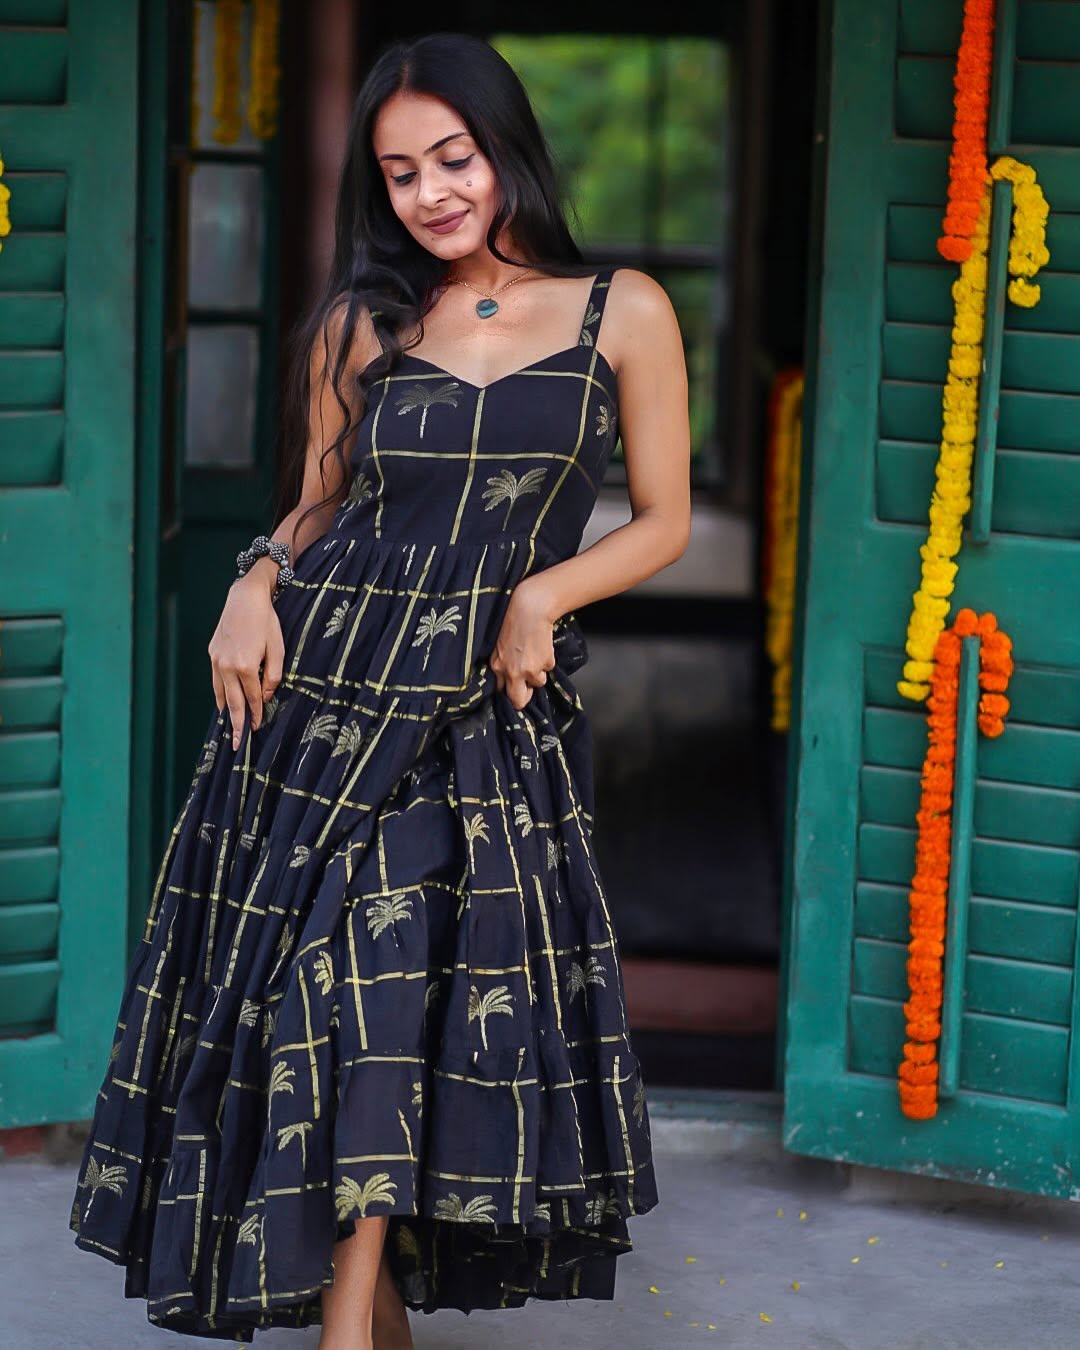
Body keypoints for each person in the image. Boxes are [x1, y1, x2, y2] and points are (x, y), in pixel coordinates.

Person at [69, 30, 690, 1349]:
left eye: (452, 158)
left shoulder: (622, 309)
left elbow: (665, 520)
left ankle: (361, 1309)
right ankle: (357, 1317)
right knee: (340, 987)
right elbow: (317, 503)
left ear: (506, 145)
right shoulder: (363, 319)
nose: (430, 194)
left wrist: (541, 597)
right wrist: (253, 580)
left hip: (482, 720)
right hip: (330, 699)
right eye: (401, 173)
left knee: (401, 991)